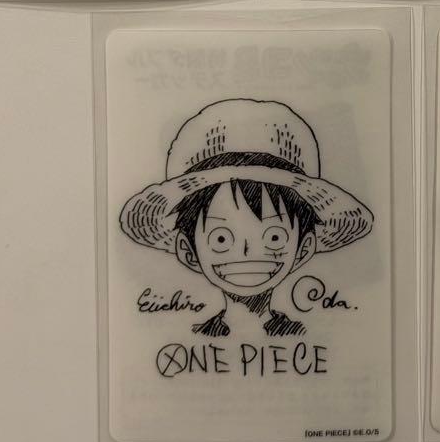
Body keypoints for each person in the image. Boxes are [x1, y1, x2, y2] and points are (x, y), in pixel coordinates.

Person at [120, 99, 373, 338]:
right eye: (221, 239)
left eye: (274, 237)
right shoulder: (199, 336)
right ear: (188, 252)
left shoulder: (302, 335)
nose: (246, 251)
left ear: (304, 249)